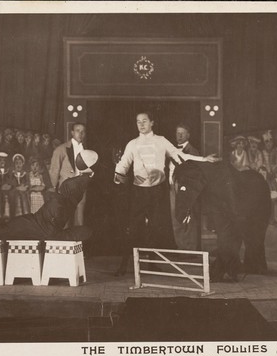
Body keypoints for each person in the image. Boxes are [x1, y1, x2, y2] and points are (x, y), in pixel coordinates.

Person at [114, 112, 219, 267]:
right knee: (134, 227)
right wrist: (120, 178)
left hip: (157, 191)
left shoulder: (161, 141)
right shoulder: (132, 144)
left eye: (144, 121)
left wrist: (204, 159)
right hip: (139, 192)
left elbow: (180, 155)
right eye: (138, 122)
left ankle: (152, 263)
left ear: (152, 123)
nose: (141, 124)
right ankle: (123, 264)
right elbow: (122, 165)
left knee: (155, 228)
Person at [50, 122, 92, 227]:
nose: (80, 134)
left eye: (83, 131)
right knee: (65, 218)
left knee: (79, 217)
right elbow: (54, 170)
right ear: (72, 132)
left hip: (81, 187)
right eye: (78, 131)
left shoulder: (87, 151)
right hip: (66, 188)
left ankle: (78, 241)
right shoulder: (61, 149)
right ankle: (63, 242)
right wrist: (54, 188)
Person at [168, 123, 200, 251]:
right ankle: (181, 248)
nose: (179, 136)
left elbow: (195, 174)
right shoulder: (173, 150)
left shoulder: (192, 151)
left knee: (187, 220)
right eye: (177, 133)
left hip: (184, 191)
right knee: (176, 219)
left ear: (188, 135)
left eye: (182, 133)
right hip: (172, 189)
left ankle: (189, 249)